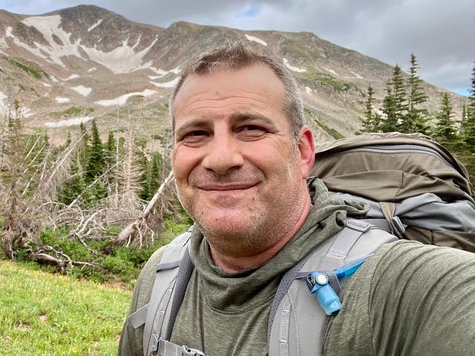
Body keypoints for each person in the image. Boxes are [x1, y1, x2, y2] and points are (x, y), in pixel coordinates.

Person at [118, 43, 475, 355]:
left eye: (251, 128)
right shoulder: (161, 275)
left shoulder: (399, 286)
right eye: (196, 134)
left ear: (303, 152)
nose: (221, 159)